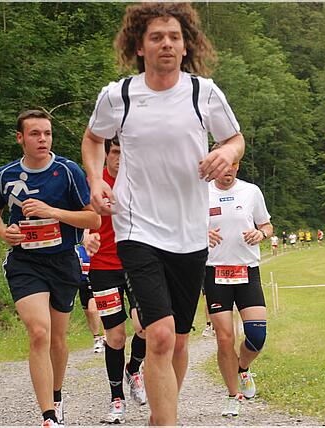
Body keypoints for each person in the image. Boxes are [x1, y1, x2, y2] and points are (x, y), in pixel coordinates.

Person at [81, 3, 244, 425]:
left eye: (173, 36)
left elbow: (235, 139)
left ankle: (159, 417)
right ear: (140, 46)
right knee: (160, 334)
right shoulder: (118, 95)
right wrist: (97, 179)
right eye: (156, 37)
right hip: (138, 228)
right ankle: (167, 422)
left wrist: (224, 152)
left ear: (186, 43)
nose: (166, 44)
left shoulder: (202, 93)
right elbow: (93, 138)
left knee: (181, 340)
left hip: (190, 232)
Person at [0, 110, 101, 427]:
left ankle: (57, 395)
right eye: (35, 134)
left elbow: (93, 219)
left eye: (47, 133)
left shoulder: (67, 171)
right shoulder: (5, 175)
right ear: (20, 137)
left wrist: (52, 211)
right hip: (26, 263)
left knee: (58, 339)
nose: (43, 140)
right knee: (39, 332)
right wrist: (2, 231)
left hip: (63, 261)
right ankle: (48, 416)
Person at [81, 136, 147, 424]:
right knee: (116, 336)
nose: (121, 158)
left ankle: (134, 368)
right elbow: (80, 218)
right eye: (116, 152)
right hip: (103, 266)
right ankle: (116, 399)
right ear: (106, 154)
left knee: (144, 326)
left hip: (137, 264)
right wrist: (85, 236)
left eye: (126, 152)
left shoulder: (141, 180)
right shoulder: (93, 182)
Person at [205, 160, 272, 417]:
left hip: (246, 271)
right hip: (215, 272)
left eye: (232, 165)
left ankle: (242, 368)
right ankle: (233, 396)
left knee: (257, 336)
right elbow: (184, 227)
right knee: (225, 339)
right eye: (223, 167)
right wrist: (203, 234)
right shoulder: (201, 193)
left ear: (238, 165)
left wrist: (261, 234)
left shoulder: (251, 191)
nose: (228, 171)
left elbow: (266, 225)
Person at [75, 241, 105, 353]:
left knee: (94, 310)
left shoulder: (95, 246)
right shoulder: (77, 249)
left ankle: (102, 336)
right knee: (88, 313)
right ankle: (96, 338)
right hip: (81, 283)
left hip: (93, 279)